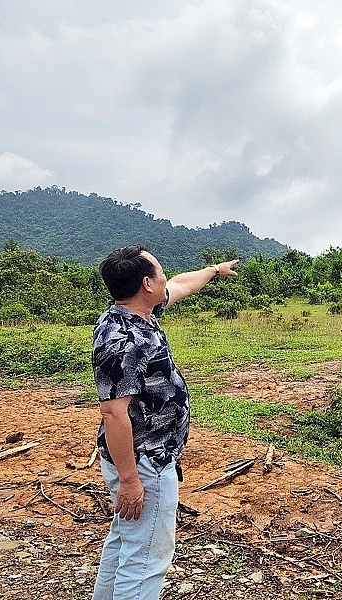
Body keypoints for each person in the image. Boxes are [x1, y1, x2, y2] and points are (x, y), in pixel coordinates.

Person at [91, 244, 238, 600]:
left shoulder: (136, 313)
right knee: (145, 562)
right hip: (144, 463)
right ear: (146, 283)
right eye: (159, 272)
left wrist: (215, 270)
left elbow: (184, 283)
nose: (165, 277)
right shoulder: (123, 340)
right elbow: (113, 412)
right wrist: (129, 480)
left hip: (142, 459)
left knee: (126, 542)